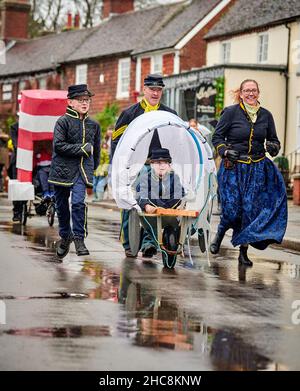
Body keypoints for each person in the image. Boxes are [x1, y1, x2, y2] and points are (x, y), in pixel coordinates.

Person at [210, 79, 287, 267]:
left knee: (249, 212)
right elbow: (217, 137)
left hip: (257, 170)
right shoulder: (230, 113)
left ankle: (243, 252)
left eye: (254, 90)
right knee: (231, 209)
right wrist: (225, 151)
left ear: (258, 93)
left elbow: (275, 141)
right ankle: (220, 234)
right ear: (241, 93)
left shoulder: (266, 115)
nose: (250, 94)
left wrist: (273, 147)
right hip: (233, 168)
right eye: (247, 90)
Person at [111, 74, 177, 258]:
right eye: (152, 89)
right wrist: (118, 167)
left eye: (159, 90)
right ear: (145, 90)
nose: (156, 93)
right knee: (130, 204)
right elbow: (116, 142)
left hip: (159, 166)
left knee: (154, 202)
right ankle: (129, 243)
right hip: (133, 166)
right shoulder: (129, 114)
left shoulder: (169, 114)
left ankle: (149, 242)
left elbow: (178, 141)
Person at [48, 84, 101, 258]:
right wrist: (82, 149)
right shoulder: (62, 122)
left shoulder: (94, 125)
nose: (85, 103)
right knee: (61, 206)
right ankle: (65, 237)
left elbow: (97, 151)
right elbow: (59, 146)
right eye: (80, 100)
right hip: (61, 171)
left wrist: (92, 168)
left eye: (87, 100)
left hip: (81, 172)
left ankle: (79, 238)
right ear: (70, 102)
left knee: (78, 203)